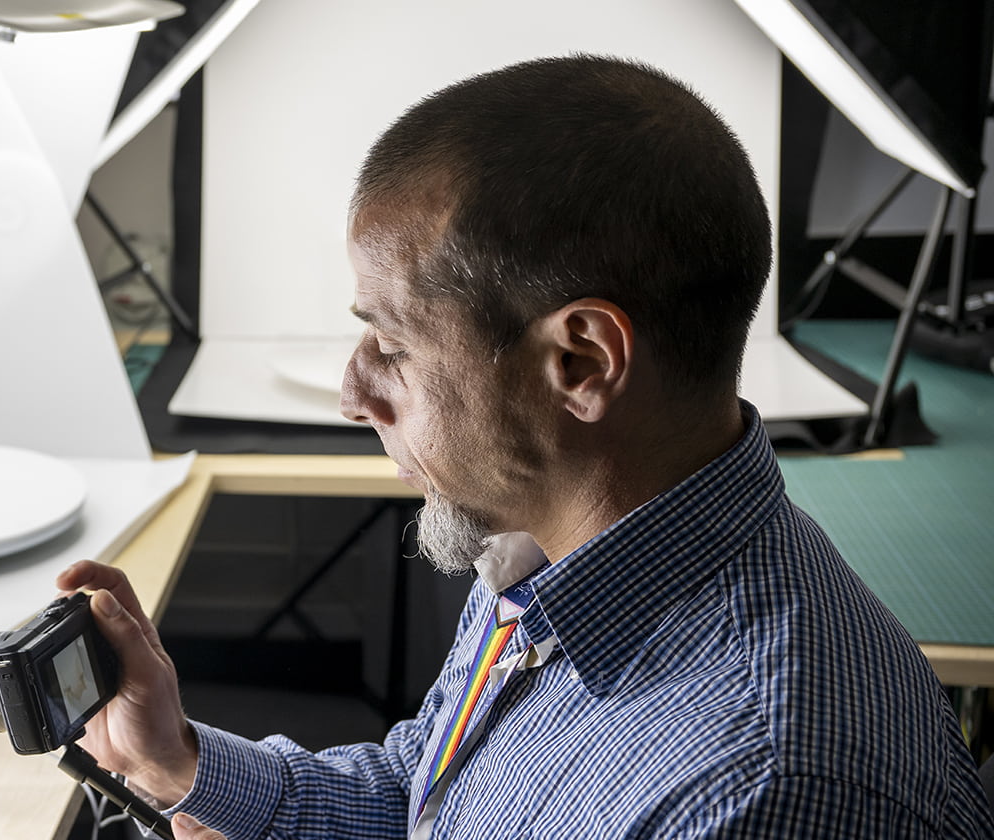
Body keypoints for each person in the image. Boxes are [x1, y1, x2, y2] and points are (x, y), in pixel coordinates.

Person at [57, 55, 994, 839]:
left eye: (393, 346)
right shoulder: (544, 553)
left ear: (581, 362)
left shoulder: (759, 792)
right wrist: (177, 761)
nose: (352, 394)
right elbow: (425, 797)